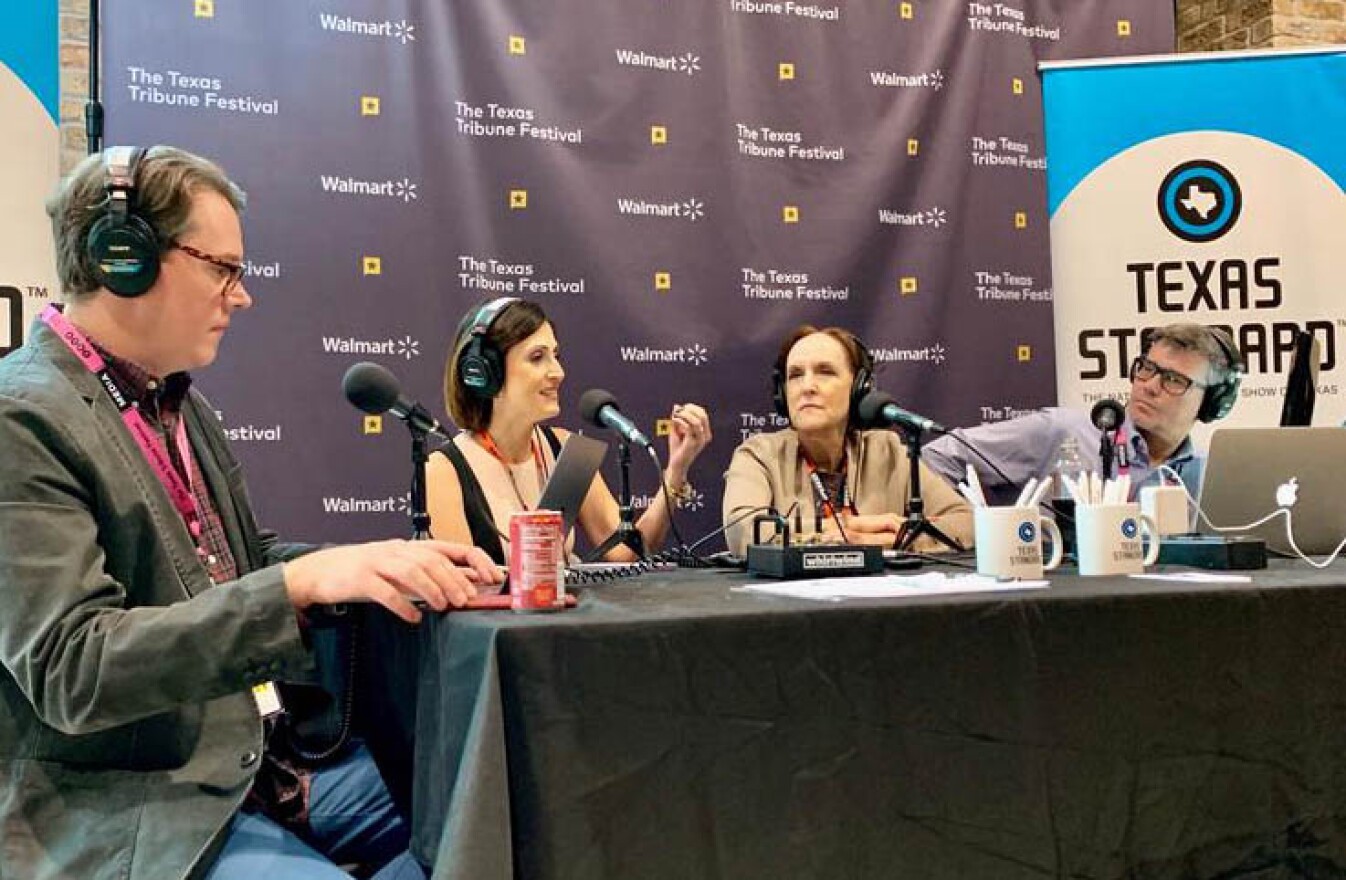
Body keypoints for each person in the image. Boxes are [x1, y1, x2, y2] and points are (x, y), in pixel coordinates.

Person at [0, 146, 502, 880]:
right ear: (125, 258)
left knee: (491, 814)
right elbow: (74, 668)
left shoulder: (178, 402)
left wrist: (370, 565)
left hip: (252, 772)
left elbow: (242, 566)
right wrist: (298, 586)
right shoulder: (21, 416)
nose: (242, 296)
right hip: (122, 812)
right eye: (223, 268)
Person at [427, 296, 713, 562]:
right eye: (537, 357)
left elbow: (626, 553)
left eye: (556, 355)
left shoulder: (565, 451)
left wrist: (676, 470)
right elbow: (463, 593)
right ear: (485, 373)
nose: (558, 373)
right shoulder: (444, 470)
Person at [923, 322, 1244, 504]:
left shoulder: (1210, 477)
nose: (1149, 386)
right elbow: (937, 458)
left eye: (1173, 380)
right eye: (1147, 369)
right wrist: (979, 531)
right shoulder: (1063, 432)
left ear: (1210, 401)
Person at [722, 324, 973, 556]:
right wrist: (849, 528)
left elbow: (967, 522)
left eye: (825, 372)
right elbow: (743, 533)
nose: (807, 386)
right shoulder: (759, 455)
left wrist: (893, 540)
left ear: (859, 389)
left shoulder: (887, 451)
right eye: (796, 375)